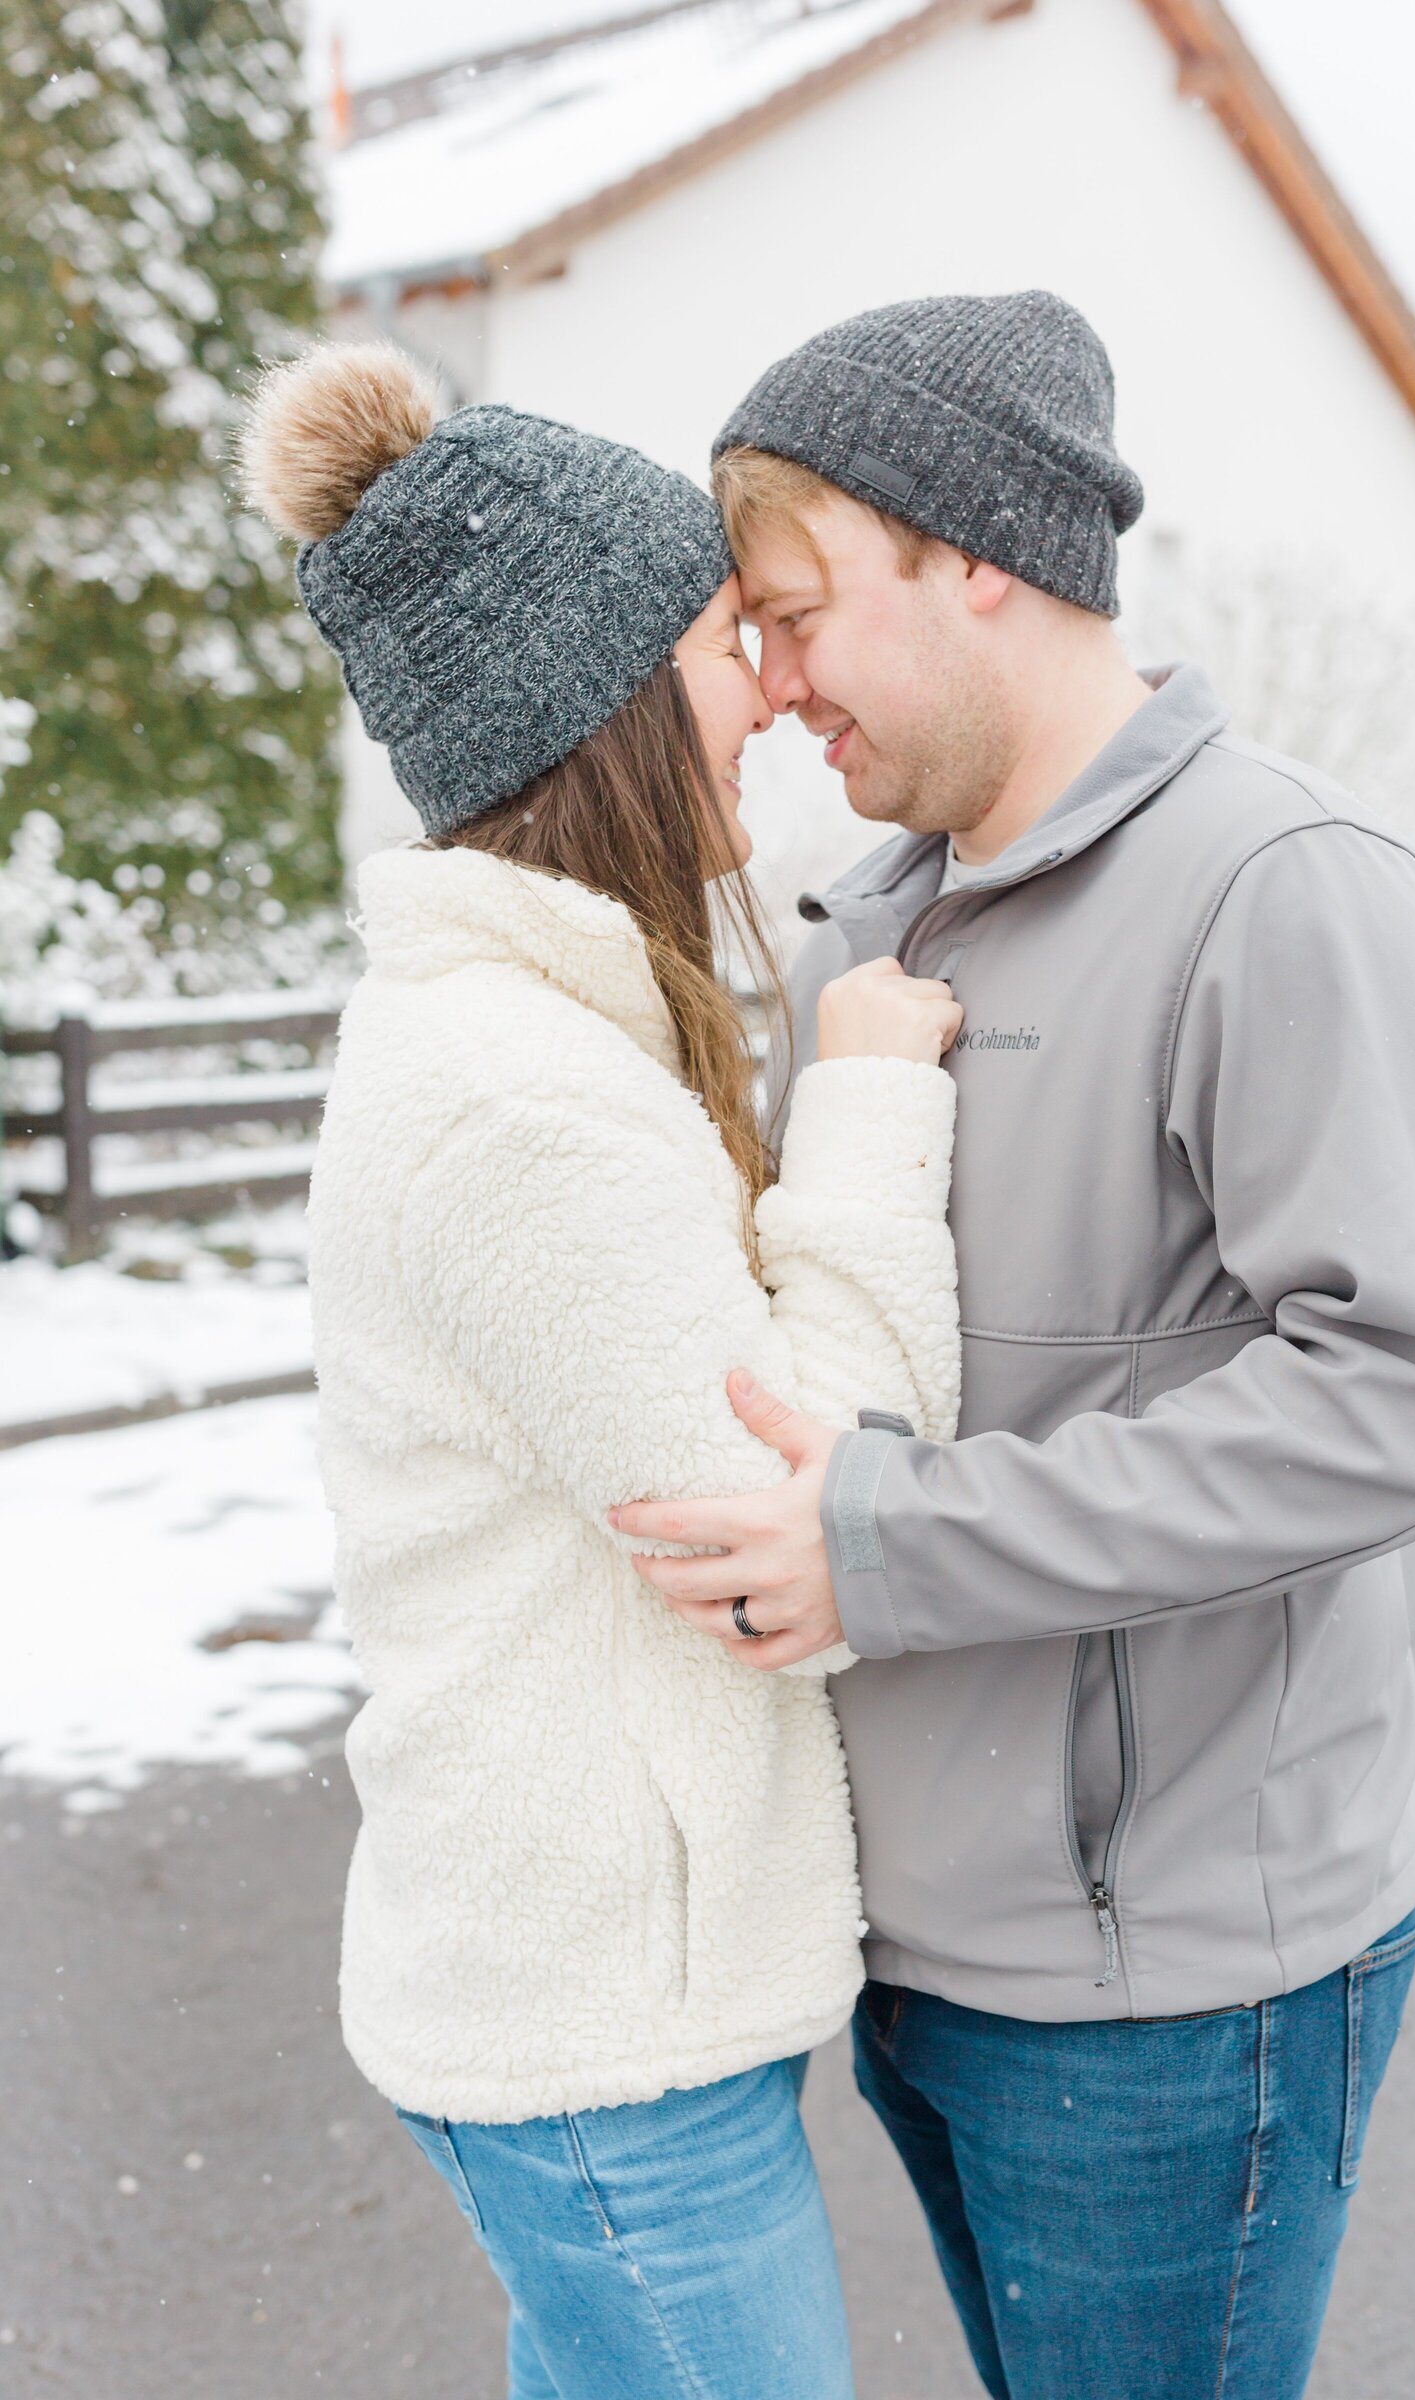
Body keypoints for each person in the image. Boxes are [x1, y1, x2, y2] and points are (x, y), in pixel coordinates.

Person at [613, 290, 1415, 2400]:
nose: (762, 685)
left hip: (1174, 1991)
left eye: (790, 613)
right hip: (914, 1950)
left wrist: (893, 1545)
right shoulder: (874, 920)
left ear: (981, 558)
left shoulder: (1285, 894)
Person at [239, 342, 966, 2400]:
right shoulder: (516, 1107)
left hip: (601, 2003)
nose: (769, 686)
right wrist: (869, 1111)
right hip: (592, 2036)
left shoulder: (554, 1036)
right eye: (725, 639)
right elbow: (800, 1519)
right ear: (606, 696)